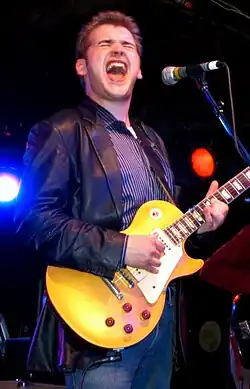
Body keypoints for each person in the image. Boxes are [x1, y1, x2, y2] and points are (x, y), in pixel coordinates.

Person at [14, 10, 229, 389]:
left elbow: (167, 238)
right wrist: (122, 248)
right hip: (98, 328)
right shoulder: (61, 131)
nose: (119, 50)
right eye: (105, 44)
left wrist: (204, 227)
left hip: (158, 323)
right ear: (82, 66)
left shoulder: (152, 142)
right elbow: (34, 220)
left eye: (127, 45)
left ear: (140, 69)